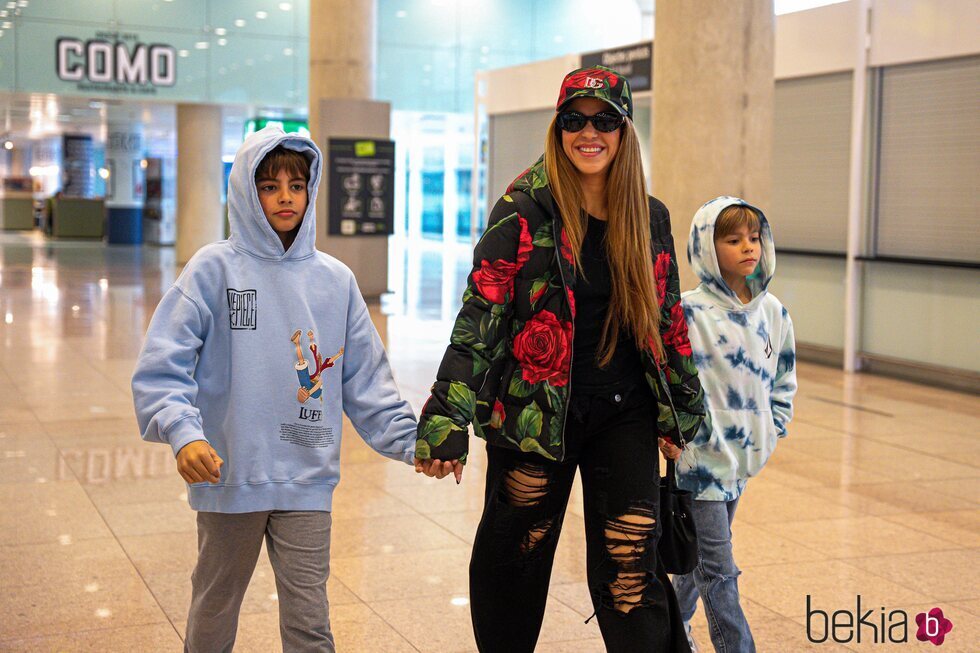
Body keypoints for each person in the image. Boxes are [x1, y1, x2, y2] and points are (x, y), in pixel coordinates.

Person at [415, 66, 705, 652]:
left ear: (624, 131)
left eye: (604, 120)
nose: (588, 132)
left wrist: (682, 411)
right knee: (513, 556)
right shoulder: (521, 211)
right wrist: (445, 422)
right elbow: (480, 320)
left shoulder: (649, 219)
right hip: (534, 416)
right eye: (574, 120)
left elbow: (668, 322)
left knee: (630, 570)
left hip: (624, 415)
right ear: (558, 128)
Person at [131, 126, 418, 652]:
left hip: (307, 478)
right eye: (268, 185)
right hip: (229, 475)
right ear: (245, 191)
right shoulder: (211, 270)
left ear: (311, 191)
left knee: (310, 623)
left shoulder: (336, 281)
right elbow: (161, 367)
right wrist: (182, 432)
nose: (285, 196)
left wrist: (415, 443)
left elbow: (368, 382)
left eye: (296, 184)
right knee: (214, 609)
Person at [660, 197, 798, 653]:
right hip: (699, 465)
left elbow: (783, 379)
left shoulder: (774, 313)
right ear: (706, 247)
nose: (748, 248)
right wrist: (675, 436)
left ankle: (670, 630)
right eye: (733, 239)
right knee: (720, 569)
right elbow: (666, 378)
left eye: (754, 238)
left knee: (700, 562)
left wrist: (771, 431)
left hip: (743, 462)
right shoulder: (687, 312)